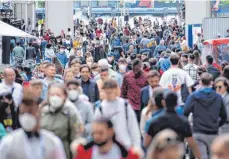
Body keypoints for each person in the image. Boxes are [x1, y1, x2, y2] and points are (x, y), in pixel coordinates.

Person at [0, 88, 66, 159]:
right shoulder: (9, 143)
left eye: (30, 112)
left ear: (39, 114)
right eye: (23, 113)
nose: (26, 117)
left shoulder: (53, 142)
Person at [144, 91, 201, 159]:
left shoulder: (154, 121)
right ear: (177, 103)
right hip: (177, 155)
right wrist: (199, 156)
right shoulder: (184, 122)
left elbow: (146, 143)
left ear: (163, 102)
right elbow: (192, 143)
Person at [184, 73, 227, 159]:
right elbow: (224, 116)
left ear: (200, 82)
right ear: (211, 83)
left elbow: (185, 112)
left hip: (198, 131)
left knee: (201, 156)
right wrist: (216, 124)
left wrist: (190, 125)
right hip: (213, 132)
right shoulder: (218, 97)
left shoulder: (194, 96)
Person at [94, 79, 141, 149]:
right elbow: (96, 129)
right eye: (107, 92)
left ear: (116, 90)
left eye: (111, 91)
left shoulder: (125, 105)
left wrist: (136, 146)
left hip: (126, 146)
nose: (109, 93)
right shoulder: (101, 108)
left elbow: (133, 127)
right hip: (108, 149)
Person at [40, 83, 82, 159]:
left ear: (65, 96)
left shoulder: (70, 113)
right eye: (52, 95)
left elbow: (75, 139)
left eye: (58, 95)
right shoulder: (43, 112)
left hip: (63, 154)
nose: (54, 97)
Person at [73, 117, 142, 159]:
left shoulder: (128, 156)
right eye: (94, 133)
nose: (96, 136)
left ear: (111, 132)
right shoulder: (83, 154)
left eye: (100, 133)